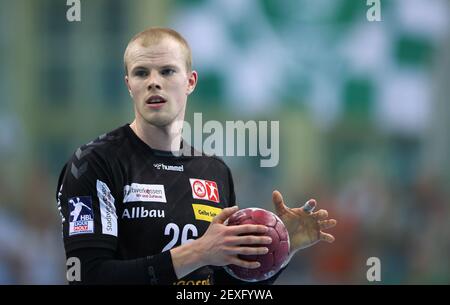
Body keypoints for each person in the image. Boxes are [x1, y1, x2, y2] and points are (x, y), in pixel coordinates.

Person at [56, 27, 337, 285]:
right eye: (142, 73)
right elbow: (87, 277)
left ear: (190, 81)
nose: (154, 82)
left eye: (167, 71)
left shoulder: (214, 171)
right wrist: (198, 252)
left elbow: (224, 288)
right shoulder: (94, 163)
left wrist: (279, 250)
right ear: (129, 84)